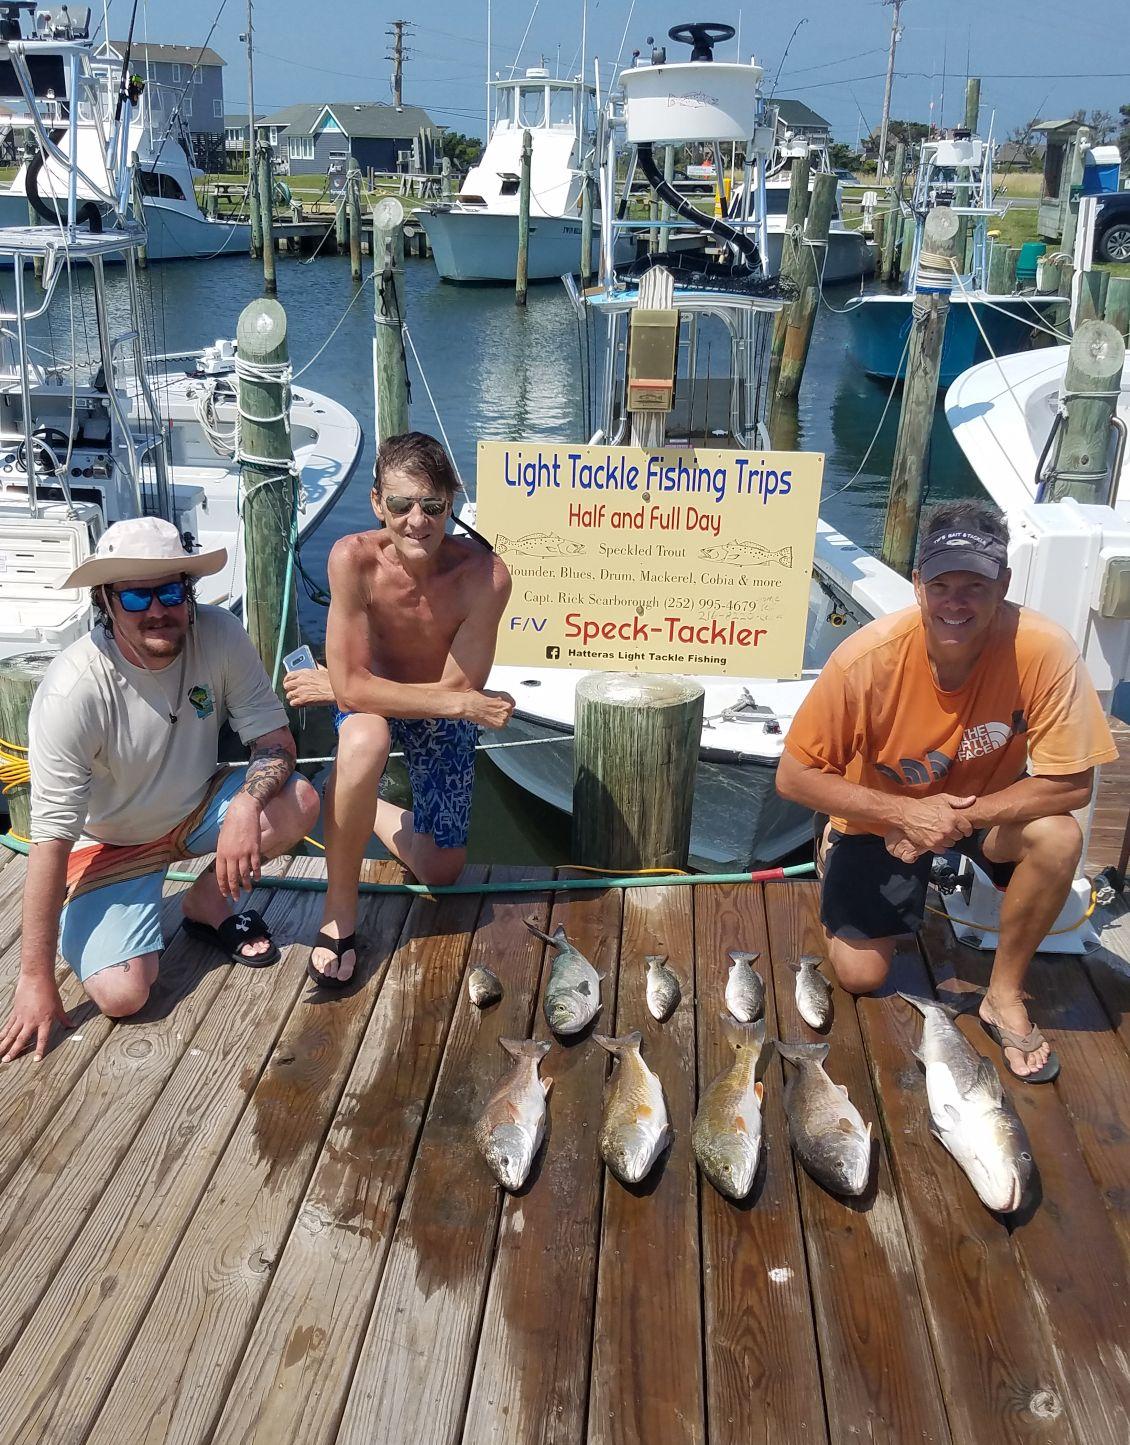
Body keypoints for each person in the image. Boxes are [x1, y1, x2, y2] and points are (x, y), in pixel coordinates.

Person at [777, 498, 1119, 1082]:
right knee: (860, 976)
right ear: (917, 585)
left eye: (976, 585)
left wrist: (953, 818)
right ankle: (833, 845)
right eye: (941, 584)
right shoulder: (867, 659)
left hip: (983, 808)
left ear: (1004, 583)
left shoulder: (1044, 648)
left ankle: (1002, 995)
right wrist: (906, 816)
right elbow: (795, 775)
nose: (956, 602)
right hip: (881, 819)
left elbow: (1072, 783)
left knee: (1058, 838)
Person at [0, 517, 320, 1063]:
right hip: (107, 845)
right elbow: (50, 841)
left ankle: (206, 903)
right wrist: (33, 978)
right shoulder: (73, 689)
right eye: (135, 596)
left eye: (171, 591)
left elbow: (273, 738)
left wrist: (245, 802)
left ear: (189, 592)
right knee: (124, 996)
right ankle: (94, 918)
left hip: (196, 811)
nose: (157, 610)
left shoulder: (218, 633)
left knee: (299, 800)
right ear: (105, 599)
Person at [283, 431, 514, 988]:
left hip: (435, 706)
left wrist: (342, 682)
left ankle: (357, 805)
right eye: (401, 504)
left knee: (442, 871)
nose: (417, 520)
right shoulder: (351, 560)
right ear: (377, 503)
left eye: (432, 505)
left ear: (451, 505)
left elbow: (454, 687)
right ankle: (339, 913)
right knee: (364, 739)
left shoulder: (487, 576)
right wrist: (353, 688)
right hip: (408, 704)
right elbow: (451, 697)